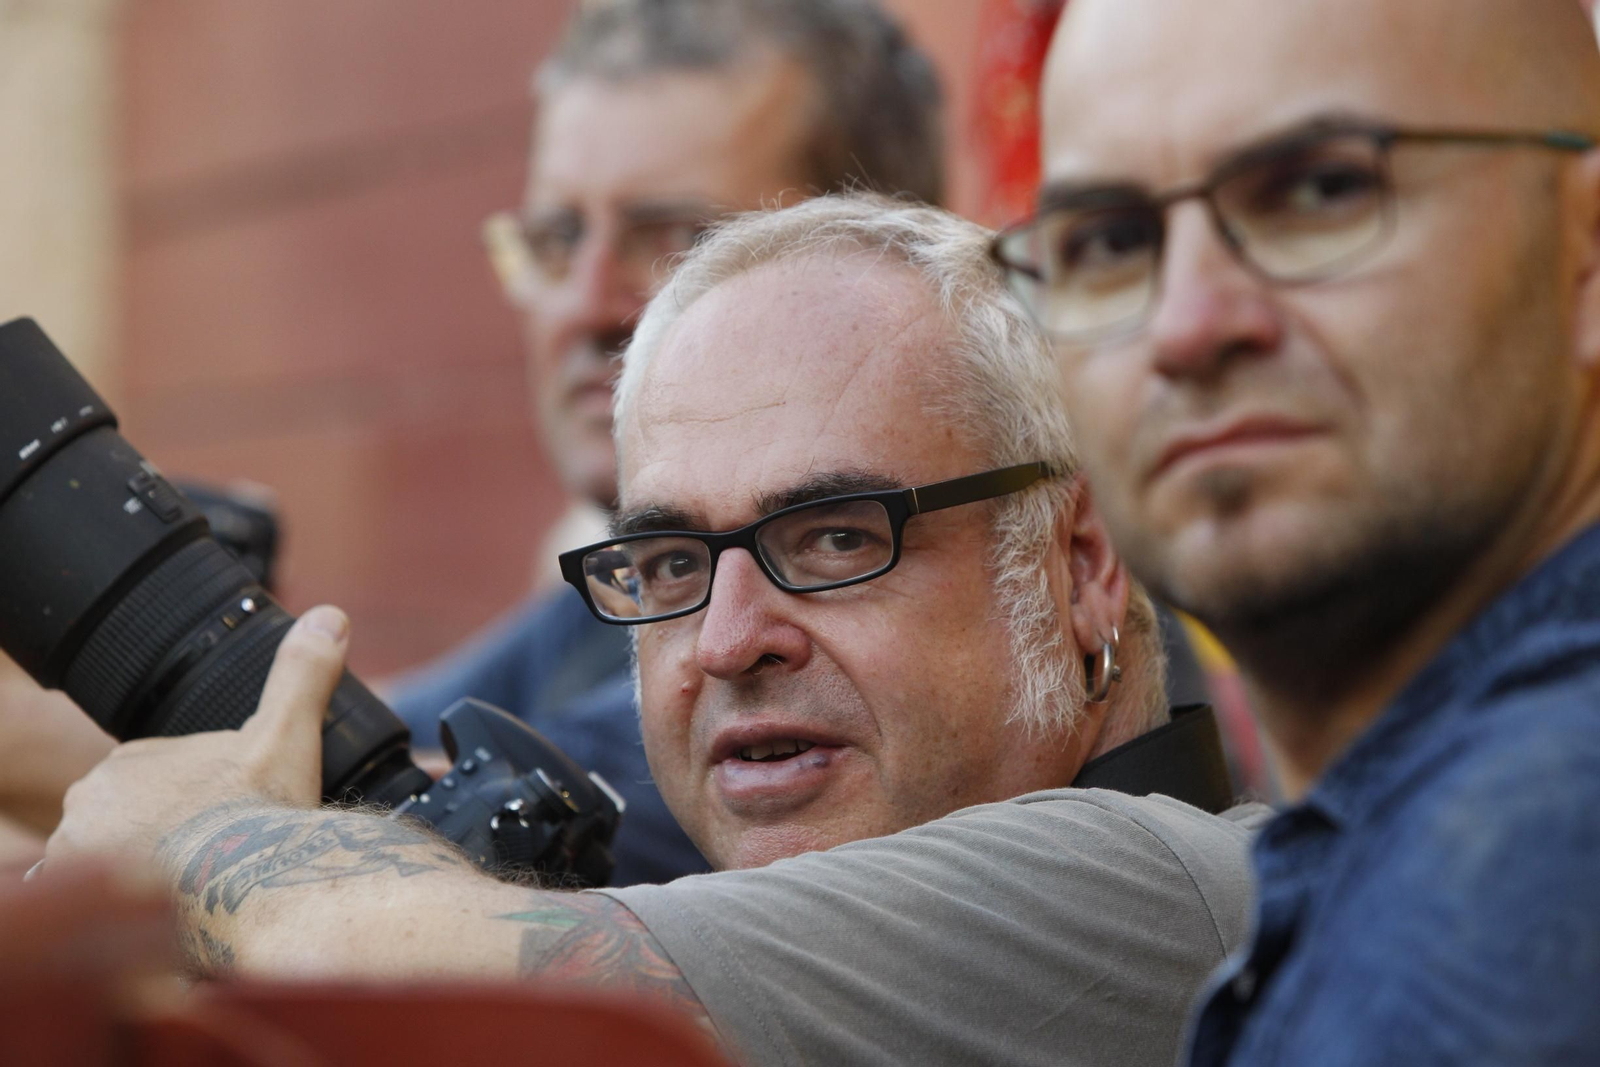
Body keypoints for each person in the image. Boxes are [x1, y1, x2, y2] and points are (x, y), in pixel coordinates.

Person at [46, 195, 1268, 1067]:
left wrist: (190, 834)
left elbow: (445, 977)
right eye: (671, 560)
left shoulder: (1162, 884)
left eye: (836, 536)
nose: (728, 638)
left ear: (1080, 562)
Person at [991, 0, 1600, 1061]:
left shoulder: (1521, 863)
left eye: (1318, 192)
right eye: (1110, 241)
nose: (1186, 324)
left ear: (1586, 254)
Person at [382, 0, 949, 886]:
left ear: (885, 259)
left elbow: (455, 815)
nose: (583, 306)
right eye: (559, 239)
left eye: (680, 242)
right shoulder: (614, 595)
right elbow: (383, 727)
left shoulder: (1002, 587)